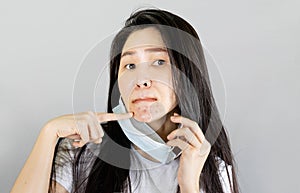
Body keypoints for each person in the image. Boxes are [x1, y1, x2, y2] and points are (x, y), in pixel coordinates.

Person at [11, 8, 239, 193]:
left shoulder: (214, 171)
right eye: (130, 65)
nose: (140, 80)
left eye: (159, 62)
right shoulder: (80, 152)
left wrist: (189, 185)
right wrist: (49, 133)